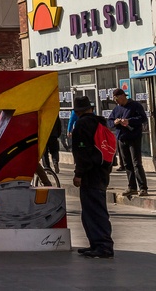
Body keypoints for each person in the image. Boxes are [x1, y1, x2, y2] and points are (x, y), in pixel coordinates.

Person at [72, 95, 114, 259]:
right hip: (102, 172)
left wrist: (78, 174)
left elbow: (82, 152)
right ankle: (96, 243)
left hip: (90, 174)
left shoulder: (82, 125)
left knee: (94, 210)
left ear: (77, 111)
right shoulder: (101, 123)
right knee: (92, 210)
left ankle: (103, 246)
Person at [108, 88, 149, 198]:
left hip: (134, 137)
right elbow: (110, 121)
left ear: (122, 96)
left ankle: (143, 187)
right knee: (127, 164)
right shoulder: (117, 109)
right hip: (122, 138)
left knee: (136, 163)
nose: (116, 101)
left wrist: (129, 121)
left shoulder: (135, 105)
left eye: (117, 99)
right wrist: (115, 122)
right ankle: (132, 187)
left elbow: (143, 118)